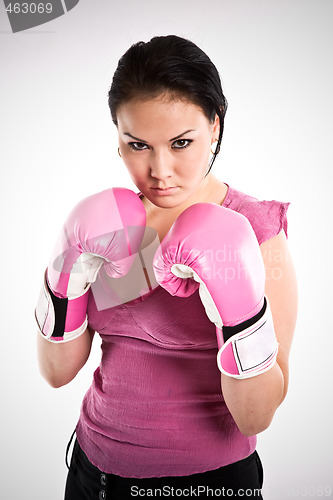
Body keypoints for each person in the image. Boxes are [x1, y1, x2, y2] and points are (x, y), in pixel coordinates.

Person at [36, 35, 298, 499]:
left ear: (214, 127)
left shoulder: (255, 229)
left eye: (181, 143)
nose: (160, 170)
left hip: (205, 485)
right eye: (138, 144)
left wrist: (239, 311)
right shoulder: (107, 226)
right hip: (90, 472)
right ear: (117, 136)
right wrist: (64, 278)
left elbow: (256, 417)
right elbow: (57, 373)